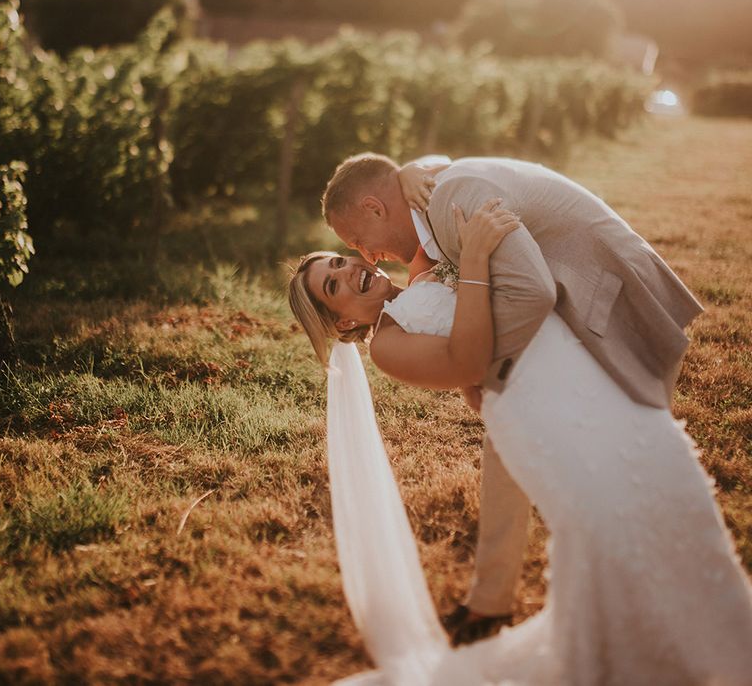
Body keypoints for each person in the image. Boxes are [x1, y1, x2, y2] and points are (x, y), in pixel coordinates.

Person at [288, 199, 752, 684]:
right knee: (606, 526)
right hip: (539, 419)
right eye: (333, 284)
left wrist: (411, 185)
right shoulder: (388, 345)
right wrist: (473, 263)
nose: (347, 270)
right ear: (342, 321)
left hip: (578, 388)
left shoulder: (424, 268)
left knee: (667, 499)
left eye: (339, 260)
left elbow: (421, 203)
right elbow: (467, 364)